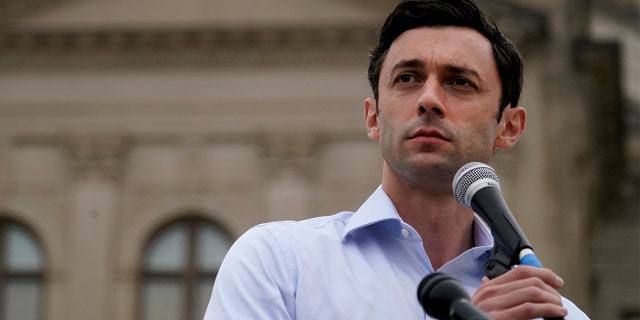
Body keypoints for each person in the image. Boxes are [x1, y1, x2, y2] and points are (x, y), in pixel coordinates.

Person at [203, 0, 590, 319]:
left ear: (508, 127)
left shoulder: (550, 314)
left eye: (460, 82)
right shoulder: (280, 264)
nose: (429, 99)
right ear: (373, 117)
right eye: (407, 78)